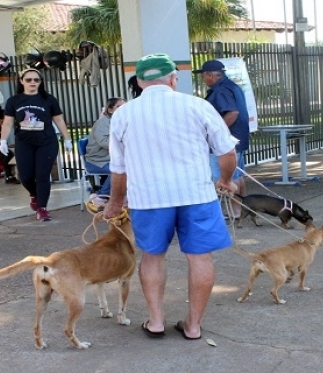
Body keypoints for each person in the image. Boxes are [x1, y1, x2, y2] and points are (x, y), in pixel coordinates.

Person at [103, 53, 238, 340]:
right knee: (200, 258)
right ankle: (193, 326)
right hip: (197, 194)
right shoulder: (197, 105)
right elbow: (227, 152)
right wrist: (225, 180)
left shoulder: (123, 114)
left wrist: (114, 203)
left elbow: (119, 169)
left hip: (148, 199)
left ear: (139, 81)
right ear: (174, 79)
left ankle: (155, 322)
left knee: (152, 256)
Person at [0, 68, 73, 221]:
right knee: (25, 176)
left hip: (46, 142)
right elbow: (7, 123)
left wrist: (67, 139)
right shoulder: (14, 101)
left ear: (40, 82)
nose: (33, 82)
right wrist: (3, 140)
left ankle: (43, 208)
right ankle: (34, 194)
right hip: (24, 142)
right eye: (29, 80)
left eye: (36, 80)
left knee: (42, 175)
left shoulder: (48, 99)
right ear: (21, 81)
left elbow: (58, 119)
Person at [193, 60, 250, 218]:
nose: (204, 79)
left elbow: (232, 112)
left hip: (227, 141)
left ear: (210, 75)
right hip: (238, 137)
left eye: (204, 76)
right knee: (237, 175)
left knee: (226, 176)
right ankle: (243, 209)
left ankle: (235, 212)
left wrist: (216, 132)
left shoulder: (221, 90)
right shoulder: (231, 86)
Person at [85, 97, 126, 206]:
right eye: (119, 106)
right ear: (110, 110)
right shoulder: (103, 122)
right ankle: (101, 196)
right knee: (121, 169)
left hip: (112, 158)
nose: (123, 109)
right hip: (97, 161)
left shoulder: (122, 121)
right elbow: (104, 142)